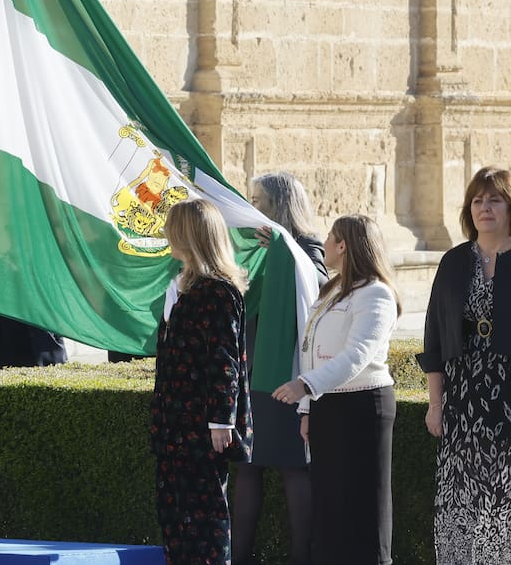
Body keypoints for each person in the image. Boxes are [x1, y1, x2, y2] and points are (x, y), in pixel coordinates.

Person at [272, 214, 400, 565]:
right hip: (326, 404)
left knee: (365, 503)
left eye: (330, 237)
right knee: (329, 503)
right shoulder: (332, 290)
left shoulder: (376, 293)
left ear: (342, 245)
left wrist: (305, 386)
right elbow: (311, 351)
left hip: (364, 406)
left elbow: (357, 354)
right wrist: (307, 409)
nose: (324, 243)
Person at [417, 166, 511, 562]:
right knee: (462, 503)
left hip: (507, 396)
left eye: (495, 200)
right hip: (463, 400)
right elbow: (434, 338)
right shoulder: (453, 262)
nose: (484, 207)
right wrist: (435, 404)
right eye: (477, 200)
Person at [150, 197, 251, 564]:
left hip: (200, 426)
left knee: (205, 520)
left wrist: (221, 420)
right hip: (174, 423)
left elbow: (225, 359)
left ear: (188, 235)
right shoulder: (183, 288)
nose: (166, 234)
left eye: (172, 228)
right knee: (175, 519)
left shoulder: (218, 292)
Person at [233, 171, 326, 565]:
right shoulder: (255, 246)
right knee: (247, 467)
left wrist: (282, 248)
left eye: (258, 201)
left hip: (288, 376)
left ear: (280, 205)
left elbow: (318, 286)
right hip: (253, 374)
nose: (252, 207)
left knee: (293, 468)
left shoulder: (305, 244)